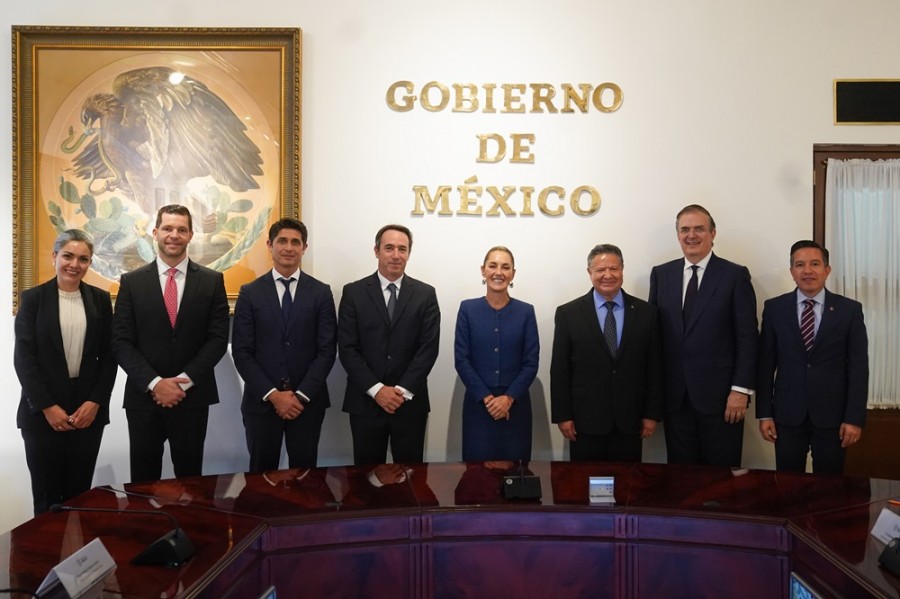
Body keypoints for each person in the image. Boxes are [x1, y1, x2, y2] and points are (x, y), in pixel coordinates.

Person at [112, 204, 229, 483]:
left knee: (191, 482)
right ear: (155, 232)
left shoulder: (212, 281)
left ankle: (189, 529)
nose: (173, 235)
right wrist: (155, 383)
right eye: (167, 228)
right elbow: (121, 342)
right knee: (142, 482)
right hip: (144, 399)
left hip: (192, 398)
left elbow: (217, 339)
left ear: (190, 235)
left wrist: (182, 382)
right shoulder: (131, 282)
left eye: (181, 229)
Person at [14, 230, 118, 514]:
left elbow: (109, 357)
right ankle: (46, 560)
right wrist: (47, 407)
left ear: (90, 263)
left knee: (79, 497)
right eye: (68, 256)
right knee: (48, 499)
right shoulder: (33, 299)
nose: (75, 264)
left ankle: (79, 559)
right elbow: (24, 358)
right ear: (54, 257)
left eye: (83, 259)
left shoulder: (99, 300)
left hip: (87, 412)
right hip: (42, 413)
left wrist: (95, 402)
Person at [648, 204, 759, 467]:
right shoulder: (661, 275)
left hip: (722, 400)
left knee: (721, 479)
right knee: (681, 478)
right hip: (675, 399)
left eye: (699, 228)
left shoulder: (734, 275)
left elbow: (748, 337)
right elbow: (654, 339)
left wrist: (740, 390)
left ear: (713, 233)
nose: (691, 235)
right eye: (685, 229)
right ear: (678, 235)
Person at [232, 218, 337, 472]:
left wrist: (299, 396)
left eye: (295, 242)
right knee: (261, 478)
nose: (288, 248)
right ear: (270, 245)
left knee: (306, 479)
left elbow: (327, 350)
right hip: (262, 403)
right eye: (282, 241)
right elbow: (242, 351)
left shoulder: (321, 293)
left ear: (304, 247)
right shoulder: (250, 292)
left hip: (307, 404)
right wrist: (274, 395)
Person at [756, 240, 868, 474]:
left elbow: (859, 368)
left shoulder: (850, 310)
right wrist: (764, 413)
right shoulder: (775, 308)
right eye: (800, 265)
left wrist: (854, 417)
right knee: (787, 486)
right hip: (786, 415)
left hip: (833, 416)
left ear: (827, 270)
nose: (807, 271)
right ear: (792, 272)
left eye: (815, 264)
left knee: (829, 488)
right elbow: (765, 365)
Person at [338, 224, 440, 465]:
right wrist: (377, 390)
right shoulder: (354, 292)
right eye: (389, 248)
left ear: (409, 253)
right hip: (365, 402)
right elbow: (347, 348)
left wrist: (400, 392)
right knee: (365, 483)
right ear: (376, 251)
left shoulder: (425, 294)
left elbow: (428, 348)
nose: (396, 255)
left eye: (402, 249)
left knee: (411, 481)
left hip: (409, 405)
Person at [551, 244, 663, 462]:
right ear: (589, 273)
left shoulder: (646, 313)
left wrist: (651, 414)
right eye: (600, 270)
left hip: (630, 420)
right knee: (584, 486)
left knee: (628, 489)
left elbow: (655, 367)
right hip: (585, 421)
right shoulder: (568, 313)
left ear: (622, 270)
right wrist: (563, 416)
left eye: (614, 269)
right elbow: (560, 370)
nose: (607, 275)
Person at [454, 246, 539, 461]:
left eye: (505, 267)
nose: (498, 272)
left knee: (516, 476)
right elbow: (462, 360)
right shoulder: (467, 309)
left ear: (513, 274)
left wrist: (508, 399)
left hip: (516, 405)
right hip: (478, 405)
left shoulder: (526, 311)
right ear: (483, 270)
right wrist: (488, 399)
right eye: (492, 266)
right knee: (477, 480)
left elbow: (531, 363)